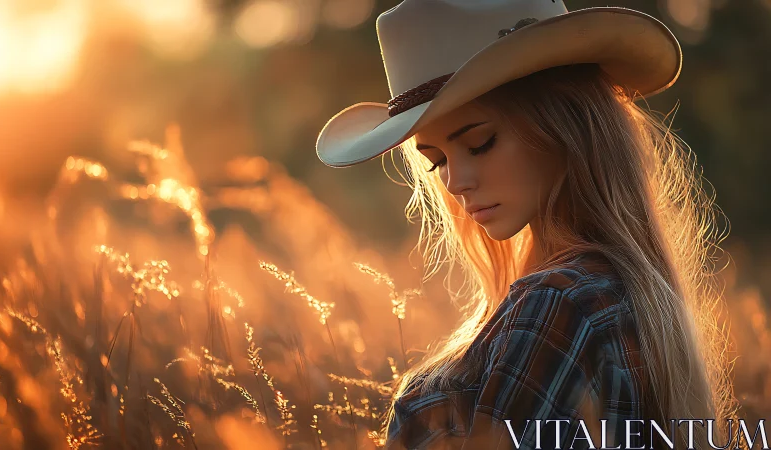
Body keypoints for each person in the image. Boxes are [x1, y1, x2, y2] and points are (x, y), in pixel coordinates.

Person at [315, 0, 744, 448]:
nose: (456, 182)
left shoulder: (560, 303)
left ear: (563, 123)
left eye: (480, 143)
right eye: (436, 161)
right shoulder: (622, 296)